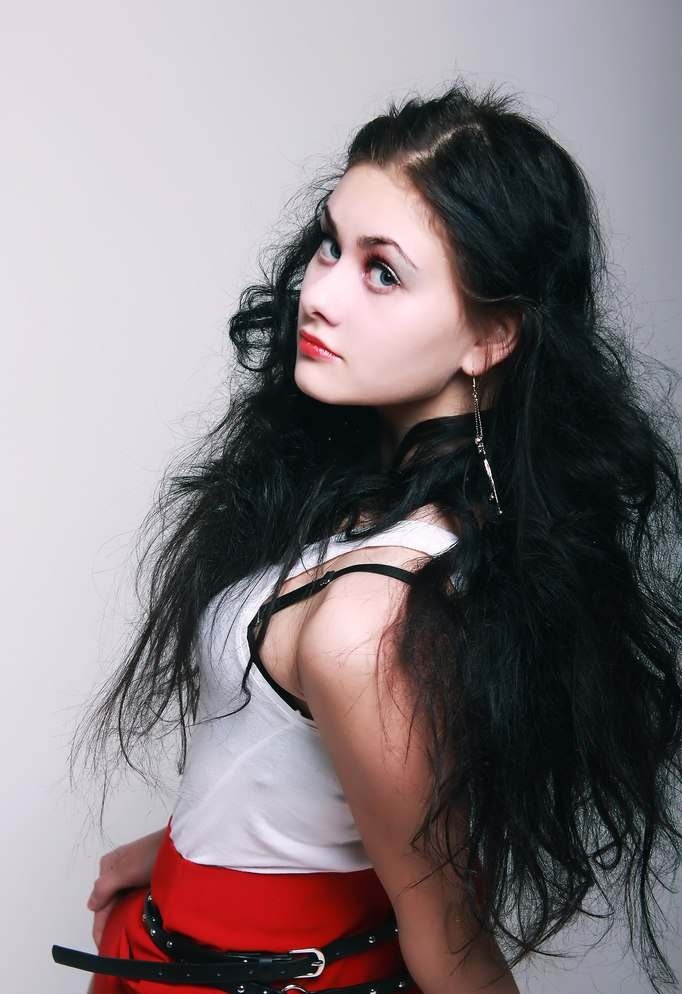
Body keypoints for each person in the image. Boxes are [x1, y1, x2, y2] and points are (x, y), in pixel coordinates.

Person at [53, 78, 682, 994]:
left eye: (382, 271)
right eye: (330, 245)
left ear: (489, 337)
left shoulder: (374, 617)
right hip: (176, 944)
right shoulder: (387, 504)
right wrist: (179, 850)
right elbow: (318, 775)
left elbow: (451, 942)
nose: (320, 292)